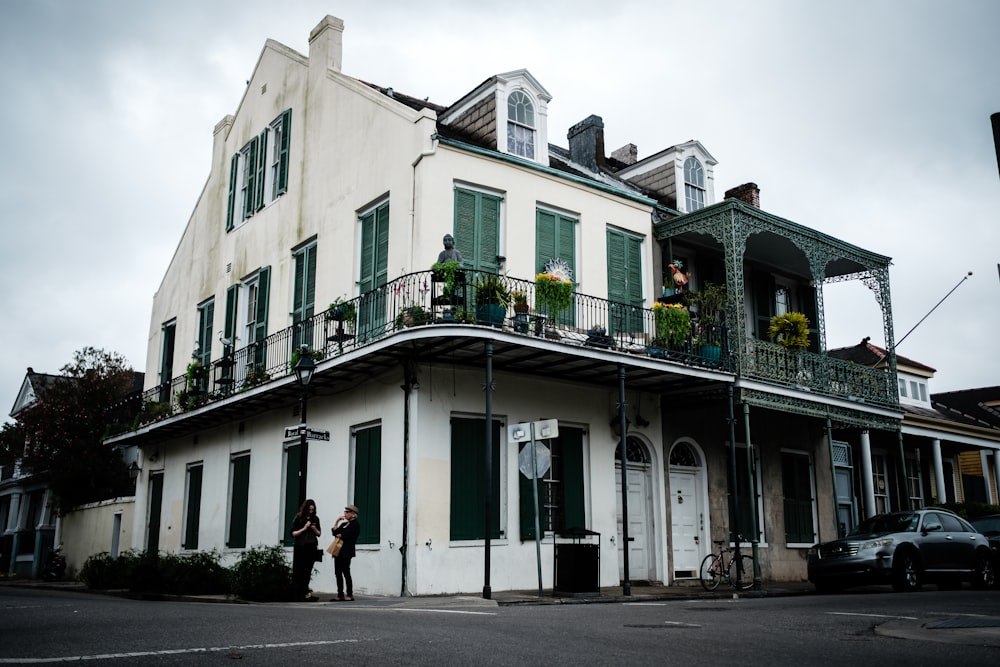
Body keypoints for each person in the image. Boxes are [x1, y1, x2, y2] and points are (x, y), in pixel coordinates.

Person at [290, 498, 322, 602]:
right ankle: (296, 594)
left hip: (311, 546)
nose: (311, 512)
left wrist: (313, 528)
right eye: (309, 510)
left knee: (307, 571)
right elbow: (293, 533)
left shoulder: (315, 519)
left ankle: (306, 594)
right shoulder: (299, 518)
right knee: (298, 571)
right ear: (305, 509)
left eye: (312, 510)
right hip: (300, 547)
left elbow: (319, 534)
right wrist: (304, 528)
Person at [331, 504, 361, 601]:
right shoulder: (343, 524)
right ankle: (340, 594)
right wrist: (337, 521)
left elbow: (345, 535)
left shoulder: (355, 524)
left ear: (353, 514)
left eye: (347, 512)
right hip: (338, 550)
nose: (345, 514)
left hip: (347, 551)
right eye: (345, 512)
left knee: (346, 572)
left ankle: (349, 594)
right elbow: (335, 533)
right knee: (338, 573)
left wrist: (340, 534)